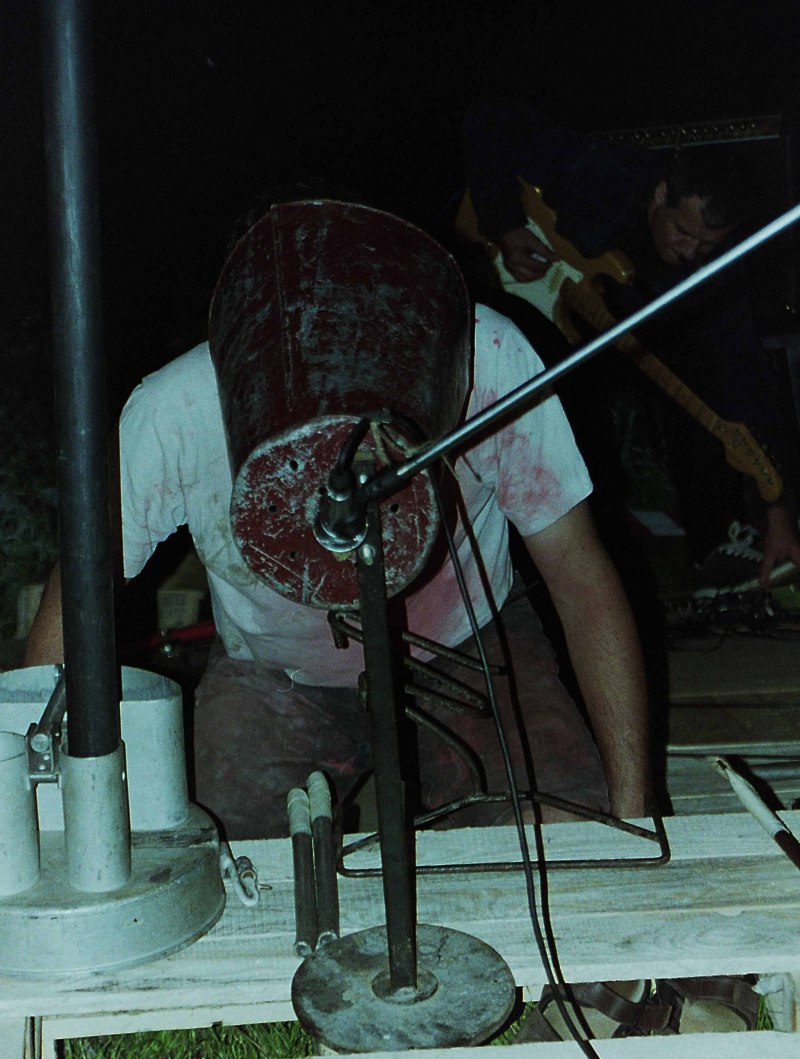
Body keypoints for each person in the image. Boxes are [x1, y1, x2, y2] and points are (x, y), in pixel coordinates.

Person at [23, 204, 654, 839]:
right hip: (273, 675)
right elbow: (79, 589)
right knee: (225, 860)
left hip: (473, 647)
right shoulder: (173, 408)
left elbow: (580, 577)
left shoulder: (484, 356)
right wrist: (40, 812)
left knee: (561, 839)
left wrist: (637, 812)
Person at [460, 97, 800, 595]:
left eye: (706, 245)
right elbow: (488, 117)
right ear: (661, 194)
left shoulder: (713, 271)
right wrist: (504, 222)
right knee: (559, 422)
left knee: (699, 377)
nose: (689, 251)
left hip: (602, 335)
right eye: (682, 231)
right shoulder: (607, 173)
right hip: (510, 308)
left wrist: (780, 510)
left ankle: (713, 549)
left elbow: (745, 377)